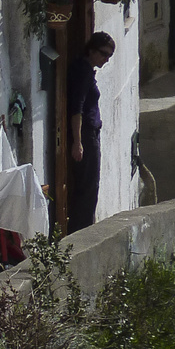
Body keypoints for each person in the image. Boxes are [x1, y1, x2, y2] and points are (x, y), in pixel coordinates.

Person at [67, 31, 115, 233]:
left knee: (88, 187)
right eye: (104, 54)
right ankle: (81, 235)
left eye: (109, 56)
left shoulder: (85, 69)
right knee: (88, 189)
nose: (106, 59)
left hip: (89, 134)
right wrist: (78, 142)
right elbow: (76, 109)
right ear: (92, 50)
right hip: (86, 135)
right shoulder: (84, 72)